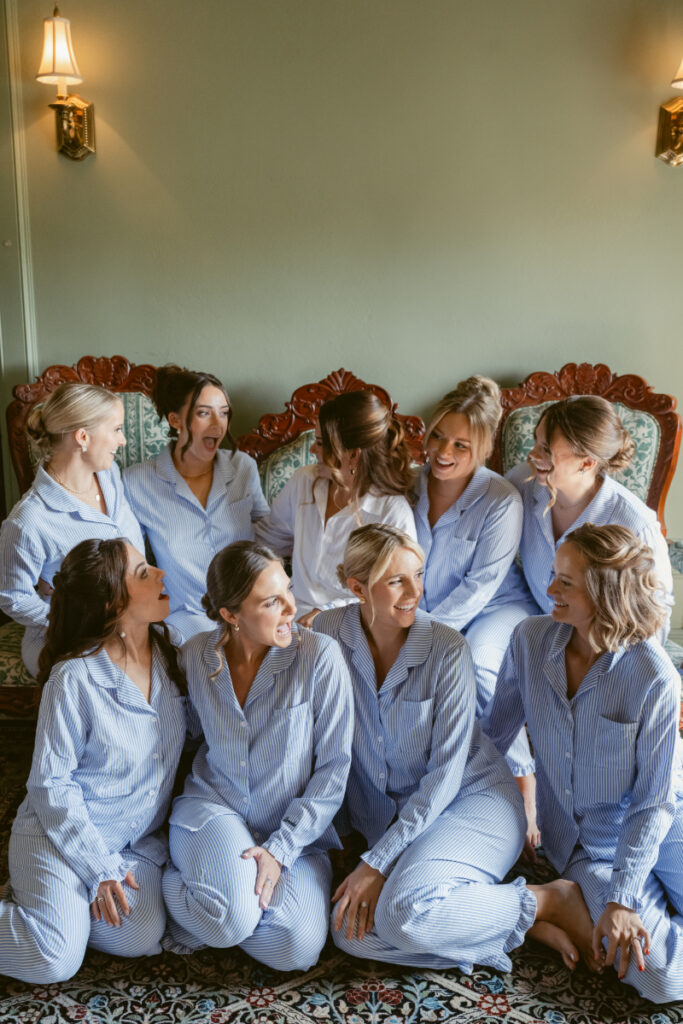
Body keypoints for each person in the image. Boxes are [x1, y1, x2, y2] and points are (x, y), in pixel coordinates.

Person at [314, 523, 599, 972]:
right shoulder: (329, 634)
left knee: (403, 913)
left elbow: (444, 778)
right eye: (396, 581)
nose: (415, 592)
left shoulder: (447, 649)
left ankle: (547, 901)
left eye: (418, 575)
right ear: (357, 588)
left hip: (472, 799)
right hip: (400, 821)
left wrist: (376, 863)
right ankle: (511, 925)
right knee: (348, 931)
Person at [484, 523, 683, 1003]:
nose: (548, 589)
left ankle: (649, 911)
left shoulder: (654, 677)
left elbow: (655, 803)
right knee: (663, 978)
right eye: (553, 575)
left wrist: (622, 900)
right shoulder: (529, 640)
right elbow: (492, 738)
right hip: (587, 847)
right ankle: (574, 906)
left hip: (667, 822)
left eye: (565, 582)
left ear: (605, 593)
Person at [0, 537, 187, 983]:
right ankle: (48, 902)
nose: (160, 575)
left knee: (140, 936)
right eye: (144, 573)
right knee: (54, 959)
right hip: (59, 835)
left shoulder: (170, 653)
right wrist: (97, 870)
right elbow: (50, 786)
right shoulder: (73, 678)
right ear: (111, 603)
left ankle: (51, 908)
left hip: (127, 842)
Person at [162, 540, 354, 971]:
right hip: (215, 808)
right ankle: (179, 887)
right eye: (271, 602)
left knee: (297, 949)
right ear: (230, 615)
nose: (292, 607)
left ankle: (209, 910)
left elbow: (334, 769)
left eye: (288, 589)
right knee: (232, 921)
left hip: (294, 832)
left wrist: (282, 847)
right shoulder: (195, 655)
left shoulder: (320, 657)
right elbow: (186, 735)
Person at [413, 377, 537, 828]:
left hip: (493, 609)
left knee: (481, 668)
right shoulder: (408, 486)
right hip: (424, 612)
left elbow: (482, 585)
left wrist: (419, 633)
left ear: (482, 450)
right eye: (438, 437)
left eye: (461, 446)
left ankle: (522, 786)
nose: (443, 452)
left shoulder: (501, 499)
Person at [0, 383, 144, 676]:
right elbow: (12, 597)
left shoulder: (109, 475)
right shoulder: (29, 520)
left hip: (128, 619)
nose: (123, 441)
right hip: (69, 639)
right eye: (116, 429)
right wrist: (66, 613)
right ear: (83, 437)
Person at [504, 395, 673, 638]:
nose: (533, 455)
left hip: (600, 638)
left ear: (587, 463)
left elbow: (657, 613)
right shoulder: (523, 482)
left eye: (546, 450)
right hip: (532, 616)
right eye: (535, 442)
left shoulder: (635, 524)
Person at [124, 364, 270, 641]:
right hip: (185, 617)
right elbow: (127, 559)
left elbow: (269, 533)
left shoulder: (242, 467)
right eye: (204, 413)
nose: (218, 424)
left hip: (250, 610)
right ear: (175, 420)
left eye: (224, 413)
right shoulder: (136, 482)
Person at [256, 390, 416, 628]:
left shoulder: (392, 512)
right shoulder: (303, 482)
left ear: (353, 455)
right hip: (291, 620)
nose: (313, 451)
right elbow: (266, 542)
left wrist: (328, 612)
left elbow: (395, 591)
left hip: (356, 627)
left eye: (321, 443)